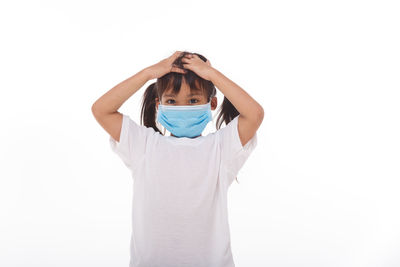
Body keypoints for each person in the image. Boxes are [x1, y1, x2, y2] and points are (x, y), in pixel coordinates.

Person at [91, 51, 264, 267]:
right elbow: (101, 110)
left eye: (193, 100)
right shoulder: (143, 145)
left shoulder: (221, 148)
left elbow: (254, 113)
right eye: (172, 101)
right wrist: (148, 73)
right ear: (158, 104)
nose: (182, 108)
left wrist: (212, 74)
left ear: (211, 103)